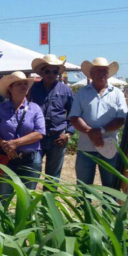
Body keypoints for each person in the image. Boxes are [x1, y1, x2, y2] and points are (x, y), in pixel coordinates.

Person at [70, 57, 128, 187]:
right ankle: (85, 208)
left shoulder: (118, 93)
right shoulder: (82, 93)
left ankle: (109, 209)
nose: (101, 73)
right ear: (91, 74)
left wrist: (99, 132)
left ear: (108, 74)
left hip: (110, 149)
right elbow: (74, 117)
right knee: (83, 190)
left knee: (111, 189)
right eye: (97, 70)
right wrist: (90, 132)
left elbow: (121, 119)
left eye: (104, 71)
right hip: (86, 149)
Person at [0, 71, 45, 196]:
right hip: (6, 158)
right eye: (19, 84)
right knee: (3, 195)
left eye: (25, 84)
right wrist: (4, 145)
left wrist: (14, 143)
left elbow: (40, 133)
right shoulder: (1, 108)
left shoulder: (35, 108)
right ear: (10, 88)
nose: (23, 86)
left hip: (30, 159)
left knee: (28, 197)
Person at [29, 54, 75, 187]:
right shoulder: (32, 89)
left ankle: (49, 205)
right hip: (36, 138)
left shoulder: (65, 90)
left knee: (53, 176)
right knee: (32, 171)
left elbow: (73, 114)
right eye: (48, 71)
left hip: (57, 138)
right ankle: (28, 204)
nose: (51, 74)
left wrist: (68, 134)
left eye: (55, 71)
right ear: (42, 72)